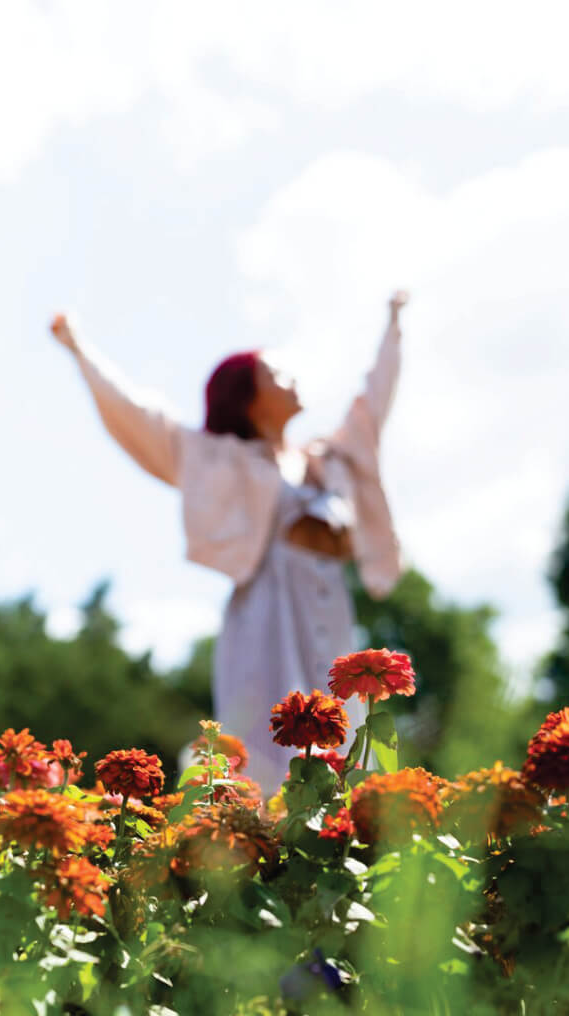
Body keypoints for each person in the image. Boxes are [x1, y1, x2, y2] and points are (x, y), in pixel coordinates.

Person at [50, 292, 408, 793]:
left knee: (345, 738)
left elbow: (373, 404)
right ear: (250, 398)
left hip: (329, 610)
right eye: (277, 376)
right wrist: (80, 349)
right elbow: (140, 419)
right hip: (267, 614)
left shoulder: (329, 459)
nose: (292, 381)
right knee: (267, 743)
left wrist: (393, 328)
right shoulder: (221, 462)